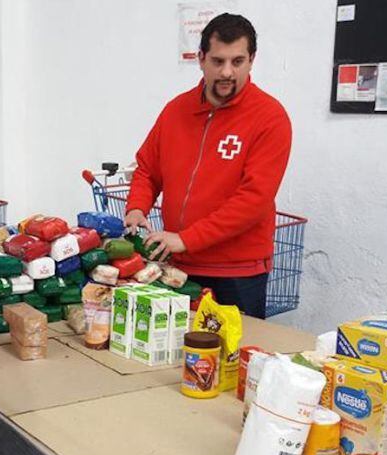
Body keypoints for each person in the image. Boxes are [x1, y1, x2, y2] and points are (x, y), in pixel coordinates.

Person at [124, 13, 292, 319]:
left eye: (237, 61)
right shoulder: (176, 110)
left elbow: (253, 200)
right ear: (200, 59)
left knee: (232, 362)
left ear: (252, 60)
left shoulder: (269, 118)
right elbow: (148, 169)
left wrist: (186, 239)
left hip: (238, 275)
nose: (227, 72)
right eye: (217, 61)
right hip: (178, 267)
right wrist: (137, 207)